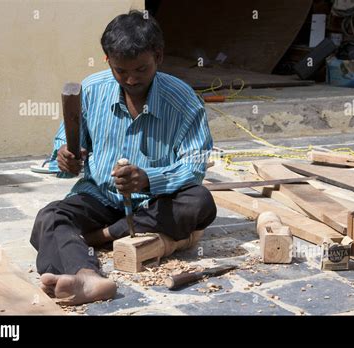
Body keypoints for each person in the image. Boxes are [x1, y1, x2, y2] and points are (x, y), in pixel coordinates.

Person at [30, 11, 217, 305]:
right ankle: (85, 276)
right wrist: (65, 158)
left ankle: (99, 237)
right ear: (107, 61)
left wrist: (147, 178)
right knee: (51, 216)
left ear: (159, 55)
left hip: (155, 204)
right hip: (100, 197)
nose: (131, 79)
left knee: (200, 202)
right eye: (120, 70)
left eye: (141, 69)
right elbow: (65, 146)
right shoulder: (91, 89)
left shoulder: (183, 101)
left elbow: (195, 166)